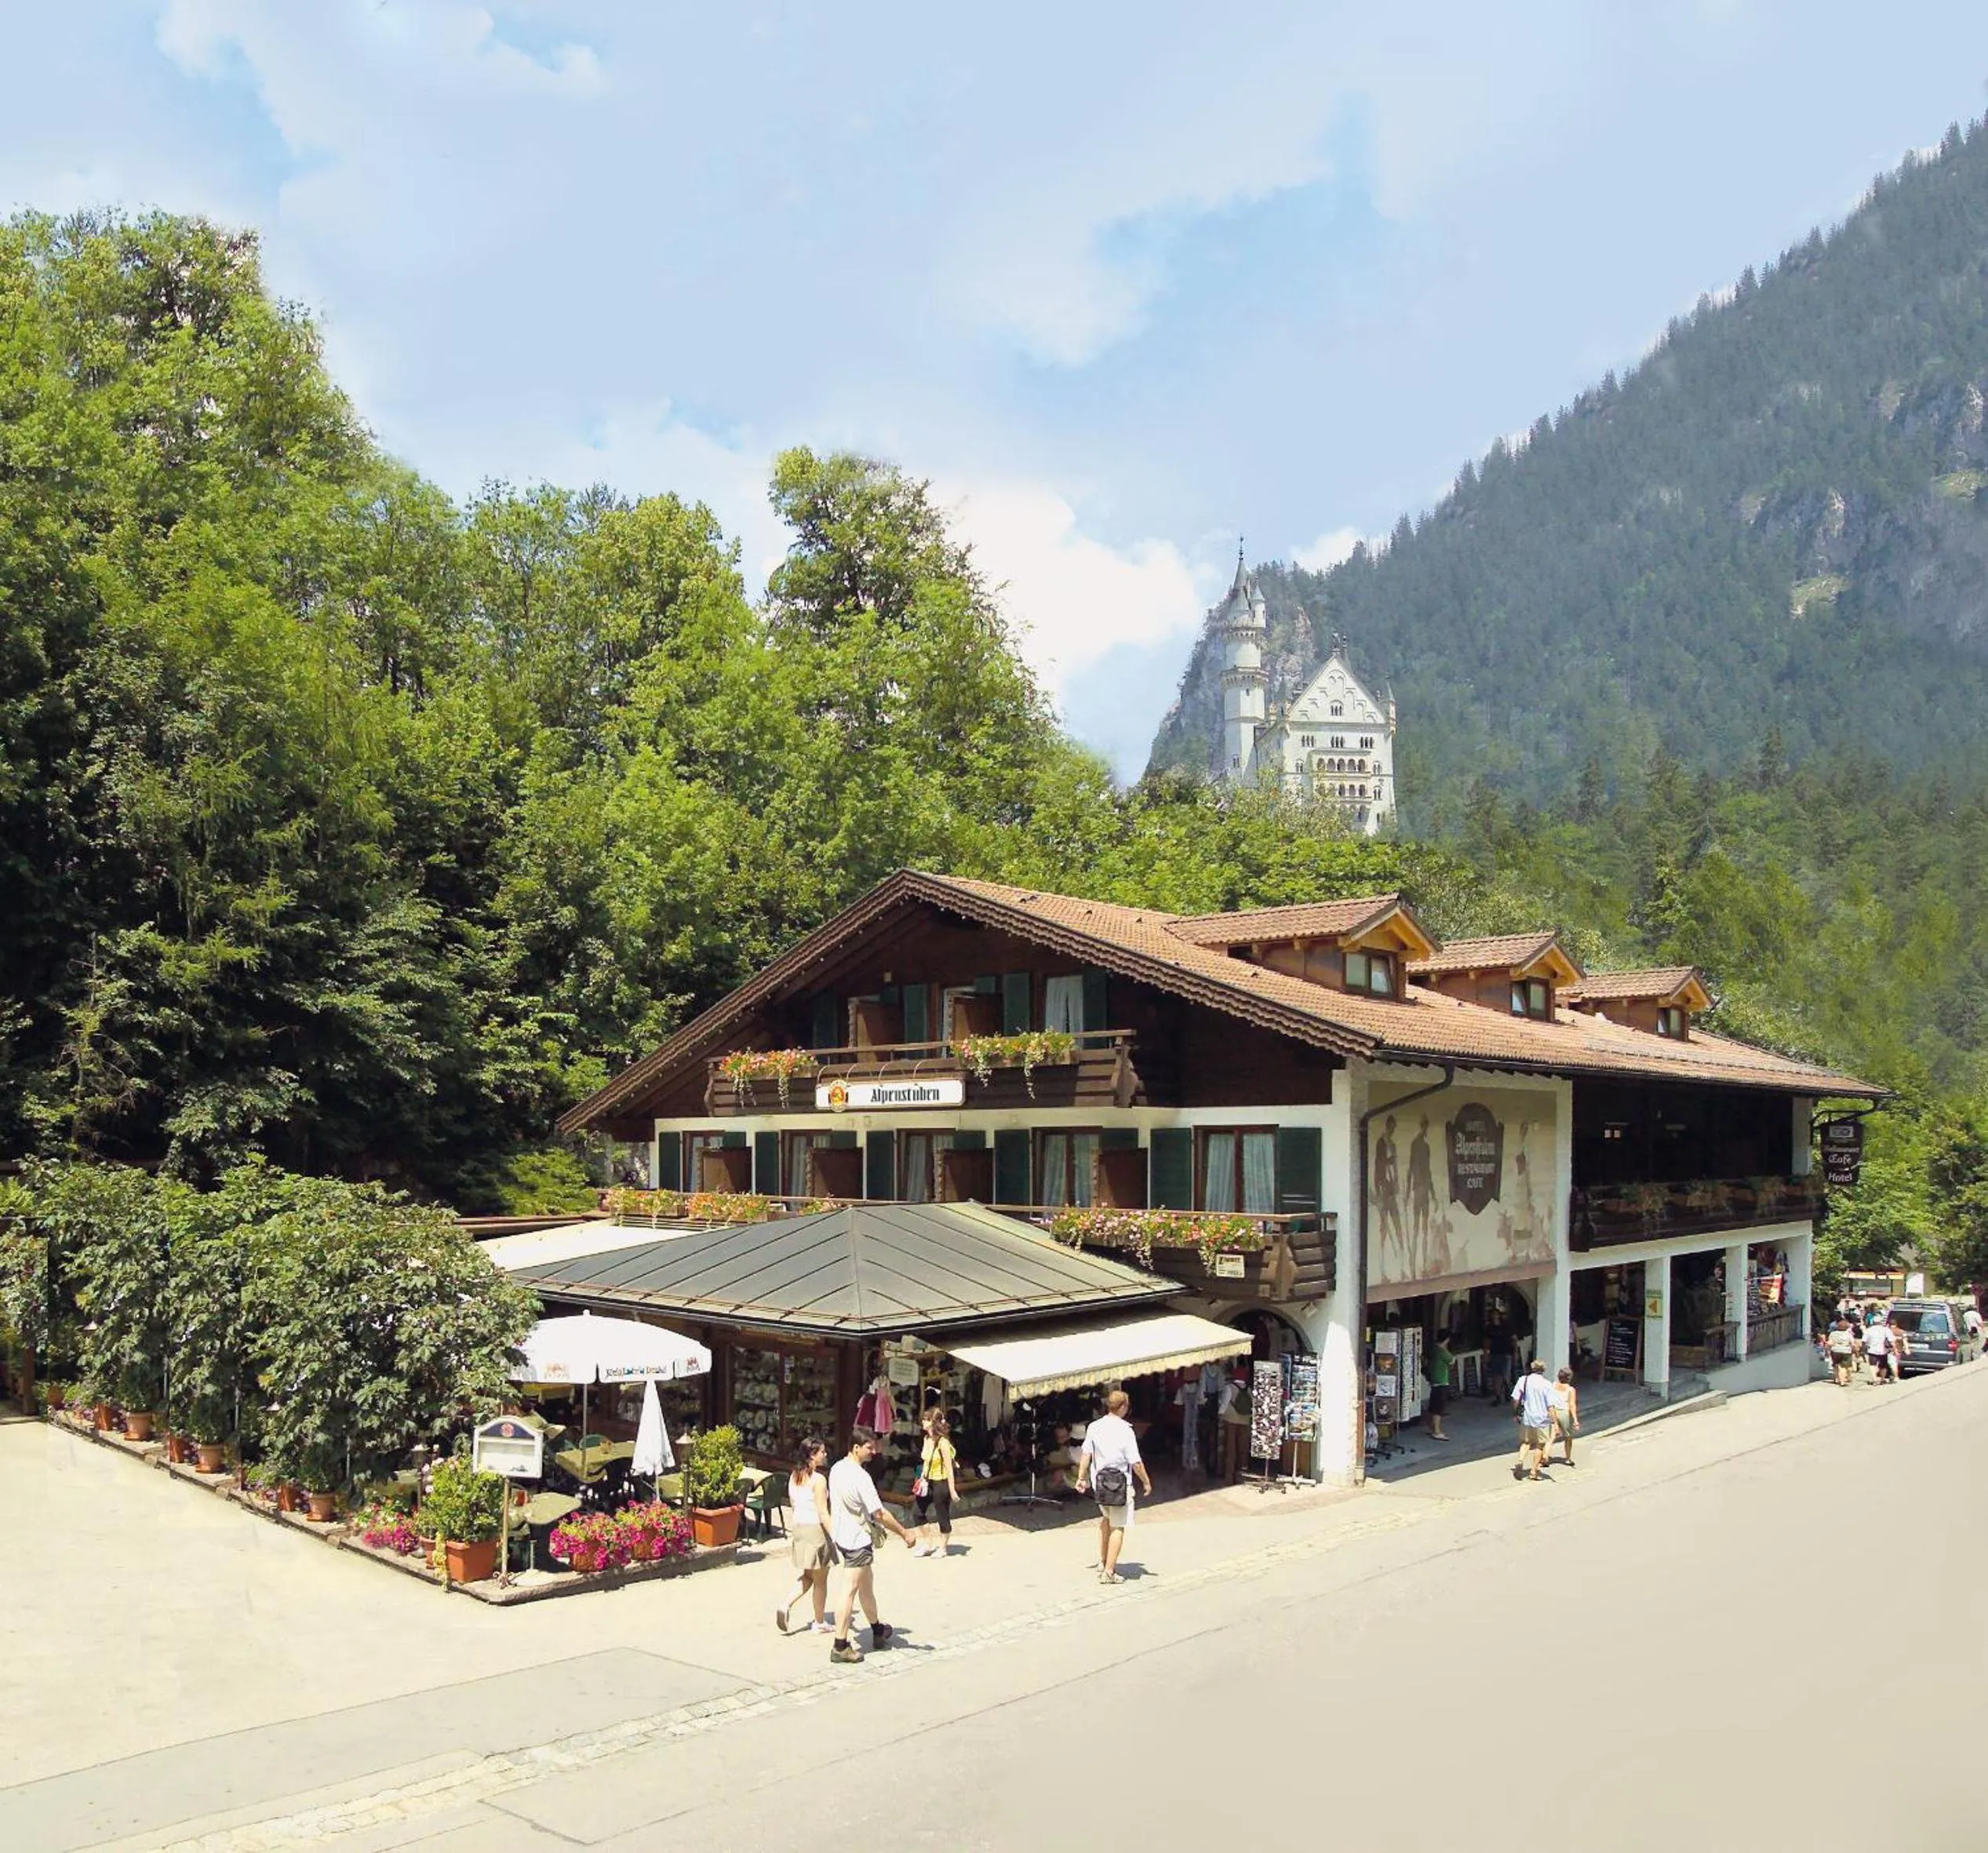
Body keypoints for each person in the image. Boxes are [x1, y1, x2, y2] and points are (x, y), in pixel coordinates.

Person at [826, 1425, 916, 1665]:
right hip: (857, 1540)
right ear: (856, 1448)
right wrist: (904, 1533)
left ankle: (877, 1630)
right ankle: (840, 1645)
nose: (874, 1452)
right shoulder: (861, 1477)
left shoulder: (836, 1469)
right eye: (869, 1448)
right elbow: (879, 1513)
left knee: (866, 1586)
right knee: (849, 1590)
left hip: (843, 1536)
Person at [1075, 1388, 1152, 1585]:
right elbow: (1135, 1462)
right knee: (1118, 1526)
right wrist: (1146, 1481)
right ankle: (1109, 1572)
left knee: (1106, 1520)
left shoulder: (1094, 1427)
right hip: (1119, 1485)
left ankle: (1103, 1562)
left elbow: (1086, 1454)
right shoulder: (1126, 1430)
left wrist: (1081, 1477)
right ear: (1123, 1407)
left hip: (1100, 1483)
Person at [776, 1435, 833, 1635]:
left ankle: (786, 1604)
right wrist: (835, 1535)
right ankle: (819, 1621)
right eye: (822, 1452)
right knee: (821, 1580)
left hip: (799, 1528)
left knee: (808, 1575)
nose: (825, 1455)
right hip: (815, 1530)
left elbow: (793, 1504)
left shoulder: (794, 1476)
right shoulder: (819, 1480)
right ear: (812, 1455)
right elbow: (823, 1512)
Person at [912, 1411, 959, 1557]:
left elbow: (949, 1468)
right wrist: (921, 1478)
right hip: (928, 1481)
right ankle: (928, 1544)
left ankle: (943, 1548)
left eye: (926, 1419)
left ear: (933, 1422)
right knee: (917, 1512)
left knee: (942, 1515)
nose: (923, 1422)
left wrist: (952, 1490)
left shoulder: (943, 1443)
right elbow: (926, 1462)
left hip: (941, 1481)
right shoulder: (926, 1439)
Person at [1511, 1357, 1555, 1482]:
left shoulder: (1523, 1380)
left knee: (1526, 1442)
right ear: (1544, 1370)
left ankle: (1520, 1461)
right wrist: (1554, 1421)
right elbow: (1550, 1406)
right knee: (1540, 1445)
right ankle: (1534, 1471)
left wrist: (1515, 1413)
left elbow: (1515, 1399)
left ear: (1531, 1368)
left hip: (1527, 1417)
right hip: (1542, 1420)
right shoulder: (1547, 1384)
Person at [1549, 1366, 1581, 1465]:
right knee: (1568, 1436)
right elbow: (1572, 1405)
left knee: (1551, 1436)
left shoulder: (1553, 1385)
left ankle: (1545, 1456)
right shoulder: (1570, 1389)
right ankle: (1568, 1458)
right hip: (1564, 1413)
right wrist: (1575, 1420)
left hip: (1553, 1411)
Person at [1426, 1331, 1455, 1441]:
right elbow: (1452, 1361)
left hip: (1434, 1380)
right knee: (1438, 1408)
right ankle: (1437, 1432)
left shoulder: (1433, 1349)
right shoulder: (1442, 1352)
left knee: (1433, 1406)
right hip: (1441, 1381)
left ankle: (1432, 1428)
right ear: (1446, 1340)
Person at [1862, 1312, 1894, 1385]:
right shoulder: (1886, 1330)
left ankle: (1875, 1379)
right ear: (1881, 1322)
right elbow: (1891, 1340)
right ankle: (1882, 1379)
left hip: (1872, 1350)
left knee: (1873, 1365)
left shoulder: (1869, 1330)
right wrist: (1893, 1348)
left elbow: (1864, 1341)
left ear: (1873, 1322)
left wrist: (1864, 1350)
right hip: (1883, 1351)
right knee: (1883, 1366)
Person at [1826, 1316, 1857, 1387]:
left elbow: (1830, 1343)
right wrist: (1854, 1350)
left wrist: (1827, 1350)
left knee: (1835, 1365)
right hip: (1846, 1351)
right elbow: (1852, 1343)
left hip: (1835, 1351)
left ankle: (1837, 1379)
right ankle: (1842, 1381)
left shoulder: (1833, 1334)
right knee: (1843, 1367)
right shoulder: (1848, 1334)